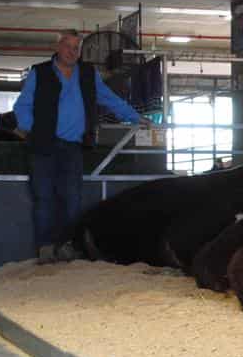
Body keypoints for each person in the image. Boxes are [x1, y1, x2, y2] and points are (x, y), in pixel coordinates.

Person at [13, 29, 147, 264]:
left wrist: (136, 117)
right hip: (42, 145)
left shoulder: (88, 73)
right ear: (58, 47)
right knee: (44, 198)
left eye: (77, 47)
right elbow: (22, 105)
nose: (73, 51)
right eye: (68, 46)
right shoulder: (39, 72)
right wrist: (31, 128)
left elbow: (109, 98)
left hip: (73, 147)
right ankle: (45, 248)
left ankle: (68, 247)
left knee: (72, 198)